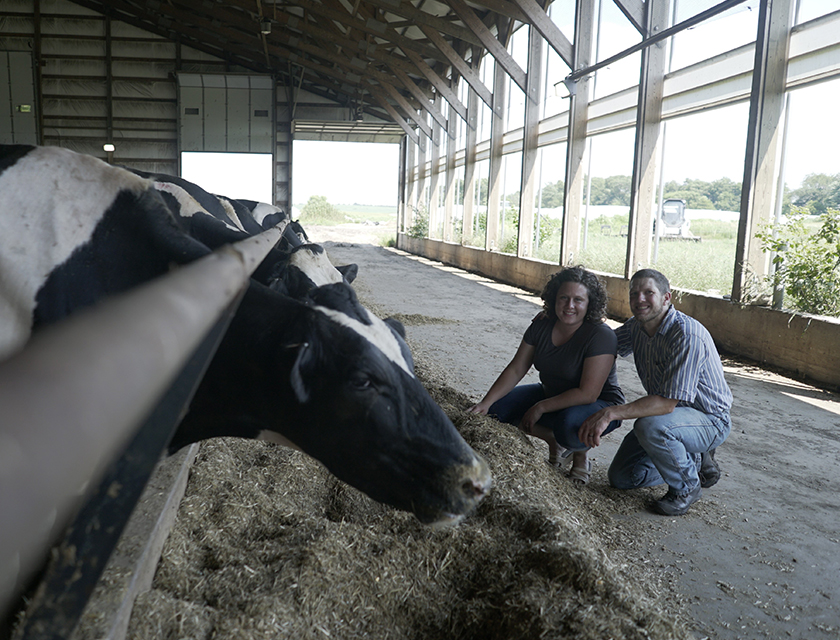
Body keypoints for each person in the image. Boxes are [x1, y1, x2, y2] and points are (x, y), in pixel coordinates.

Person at [579, 268, 732, 516]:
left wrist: (610, 412)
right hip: (670, 419)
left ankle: (687, 486)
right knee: (622, 477)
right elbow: (603, 345)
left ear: (666, 298)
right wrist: (561, 322)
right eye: (634, 293)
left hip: (708, 419)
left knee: (649, 427)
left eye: (648, 292)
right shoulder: (636, 327)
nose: (639, 299)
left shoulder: (685, 334)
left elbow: (666, 404)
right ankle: (690, 459)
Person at [468, 266, 624, 484]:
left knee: (568, 427)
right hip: (552, 392)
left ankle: (580, 454)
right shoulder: (542, 323)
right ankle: (554, 441)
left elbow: (588, 393)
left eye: (578, 300)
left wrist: (539, 407)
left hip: (597, 403)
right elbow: (516, 368)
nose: (570, 306)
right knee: (495, 412)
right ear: (554, 299)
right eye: (563, 298)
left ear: (589, 304)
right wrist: (485, 402)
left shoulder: (600, 335)